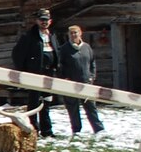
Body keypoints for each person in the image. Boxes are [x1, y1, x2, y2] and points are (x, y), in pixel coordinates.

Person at [11, 8, 61, 137]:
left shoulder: (52, 35)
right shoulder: (29, 36)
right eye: (42, 20)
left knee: (47, 101)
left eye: (46, 20)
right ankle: (33, 130)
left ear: (50, 21)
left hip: (49, 73)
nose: (44, 23)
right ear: (37, 21)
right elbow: (17, 54)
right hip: (34, 74)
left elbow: (56, 52)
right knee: (34, 102)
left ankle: (47, 130)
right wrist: (24, 72)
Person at [57, 25, 105, 135]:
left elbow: (92, 62)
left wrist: (92, 76)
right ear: (68, 35)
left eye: (75, 32)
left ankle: (98, 129)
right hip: (71, 83)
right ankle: (76, 130)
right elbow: (60, 66)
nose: (73, 35)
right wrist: (64, 78)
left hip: (86, 82)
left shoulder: (86, 47)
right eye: (71, 33)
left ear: (80, 33)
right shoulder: (64, 49)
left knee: (91, 107)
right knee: (73, 108)